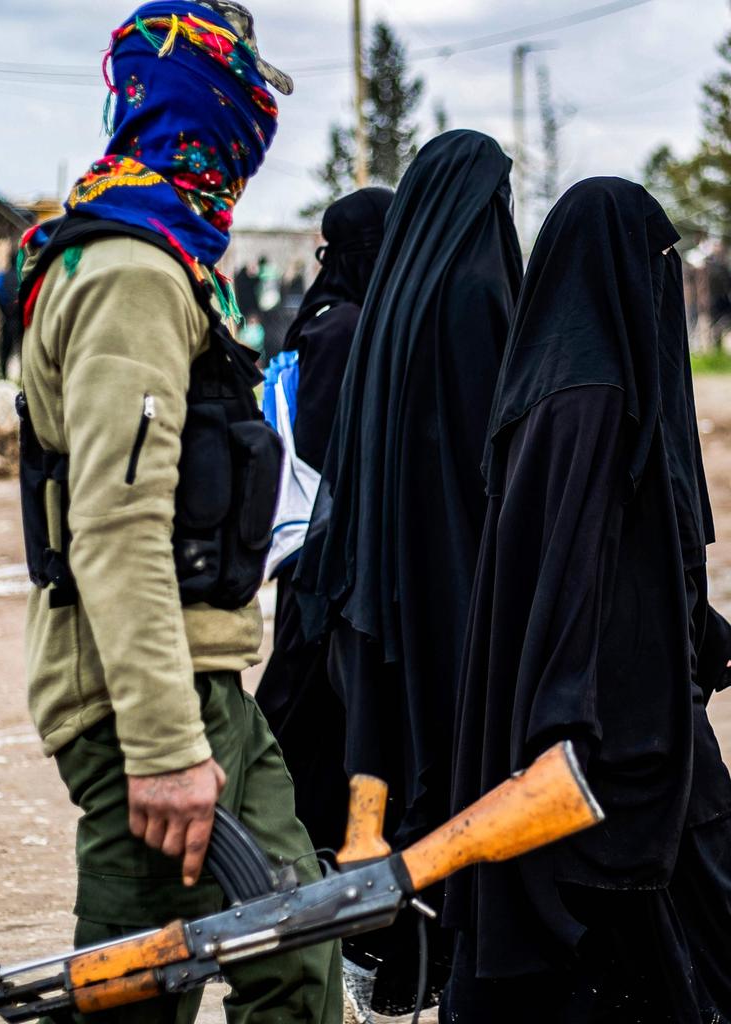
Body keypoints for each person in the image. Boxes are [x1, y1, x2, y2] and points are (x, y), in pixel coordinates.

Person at [17, 3, 341, 1022]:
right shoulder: (130, 271)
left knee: (296, 952)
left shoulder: (157, 254)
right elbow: (116, 528)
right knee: (140, 986)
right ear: (203, 100)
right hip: (139, 706)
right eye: (242, 88)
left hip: (196, 682)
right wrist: (161, 749)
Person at [441, 177, 731, 1024]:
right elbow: (571, 568)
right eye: (659, 264)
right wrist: (567, 721)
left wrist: (699, 630)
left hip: (629, 701)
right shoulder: (591, 400)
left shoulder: (567, 381)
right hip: (609, 723)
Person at [296, 130, 523, 1018]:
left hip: (374, 591)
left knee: (385, 769)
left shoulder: (386, 306)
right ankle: (449, 955)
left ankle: (390, 953)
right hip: (456, 586)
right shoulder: (475, 298)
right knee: (463, 766)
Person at [256, 186, 394, 857]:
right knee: (302, 711)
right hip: (320, 557)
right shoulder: (342, 328)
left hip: (320, 555)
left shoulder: (334, 314)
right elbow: (322, 448)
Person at [0, 248, 22, 379]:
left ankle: (3, 376)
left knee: (5, 349)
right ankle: (25, 377)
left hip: (7, 318)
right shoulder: (22, 276)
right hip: (20, 318)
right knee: (23, 349)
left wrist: (4, 312)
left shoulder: (1, 276)